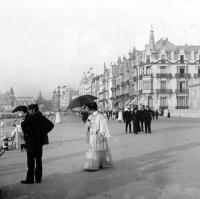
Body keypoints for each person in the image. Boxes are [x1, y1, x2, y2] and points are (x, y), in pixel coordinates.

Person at [21, 104, 54, 184]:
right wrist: (42, 132)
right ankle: (38, 178)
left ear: (33, 110)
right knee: (39, 161)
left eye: (29, 110)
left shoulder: (29, 118)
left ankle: (30, 179)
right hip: (39, 143)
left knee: (30, 162)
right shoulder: (41, 117)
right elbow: (51, 125)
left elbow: (24, 128)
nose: (28, 111)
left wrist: (25, 119)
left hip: (31, 143)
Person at [84, 102, 112, 171]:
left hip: (98, 135)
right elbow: (88, 126)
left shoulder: (100, 116)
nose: (87, 110)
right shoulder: (90, 116)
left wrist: (102, 134)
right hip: (92, 135)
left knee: (98, 149)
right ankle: (95, 163)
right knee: (94, 149)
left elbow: (103, 126)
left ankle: (95, 164)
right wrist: (88, 123)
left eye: (88, 108)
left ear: (91, 108)